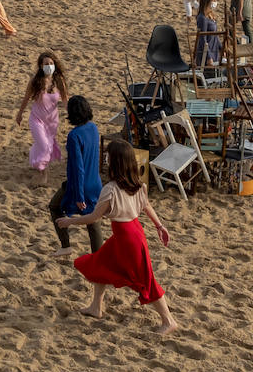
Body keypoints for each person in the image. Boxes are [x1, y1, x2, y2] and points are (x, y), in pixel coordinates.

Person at [58, 139, 178, 334]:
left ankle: (168, 320)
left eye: (108, 156)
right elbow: (146, 206)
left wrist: (69, 221)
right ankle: (96, 307)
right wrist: (159, 226)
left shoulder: (111, 189)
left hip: (127, 239)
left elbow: (93, 218)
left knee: (145, 280)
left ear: (116, 162)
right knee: (100, 263)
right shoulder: (138, 184)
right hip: (131, 233)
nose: (105, 158)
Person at [49, 95, 103, 256]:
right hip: (95, 182)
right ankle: (98, 256)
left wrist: (79, 196)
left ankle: (66, 245)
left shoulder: (74, 136)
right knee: (93, 221)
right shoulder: (93, 128)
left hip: (79, 185)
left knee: (54, 206)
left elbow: (78, 168)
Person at [15, 51, 68, 186]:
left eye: (51, 63)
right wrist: (20, 114)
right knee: (44, 147)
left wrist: (71, 113)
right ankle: (42, 174)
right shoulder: (35, 81)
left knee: (46, 145)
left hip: (52, 121)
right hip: (36, 119)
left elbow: (65, 99)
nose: (49, 66)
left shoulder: (59, 81)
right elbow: (26, 98)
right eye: (46, 64)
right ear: (41, 66)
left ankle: (35, 157)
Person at [195, 0, 224, 68]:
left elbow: (215, 35)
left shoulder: (210, 15)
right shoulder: (202, 18)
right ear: (206, 2)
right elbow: (202, 38)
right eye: (213, 0)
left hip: (214, 50)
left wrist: (221, 48)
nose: (215, 3)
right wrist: (208, 57)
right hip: (206, 53)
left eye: (215, 0)